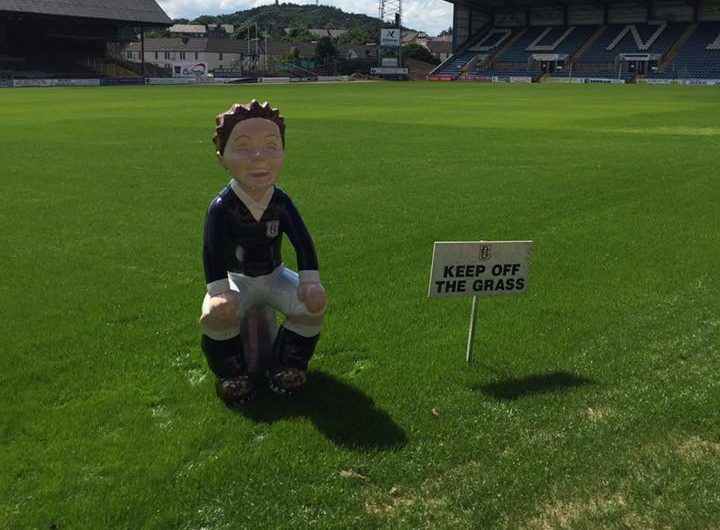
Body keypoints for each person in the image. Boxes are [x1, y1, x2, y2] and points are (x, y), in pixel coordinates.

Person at [199, 100, 327, 407]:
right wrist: (218, 290)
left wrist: (310, 280)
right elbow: (211, 251)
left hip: (273, 275)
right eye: (243, 147)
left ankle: (287, 364)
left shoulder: (281, 202)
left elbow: (303, 242)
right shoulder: (222, 207)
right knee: (216, 314)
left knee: (312, 305)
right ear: (222, 156)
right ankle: (232, 373)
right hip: (237, 279)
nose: (259, 158)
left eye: (271, 147)